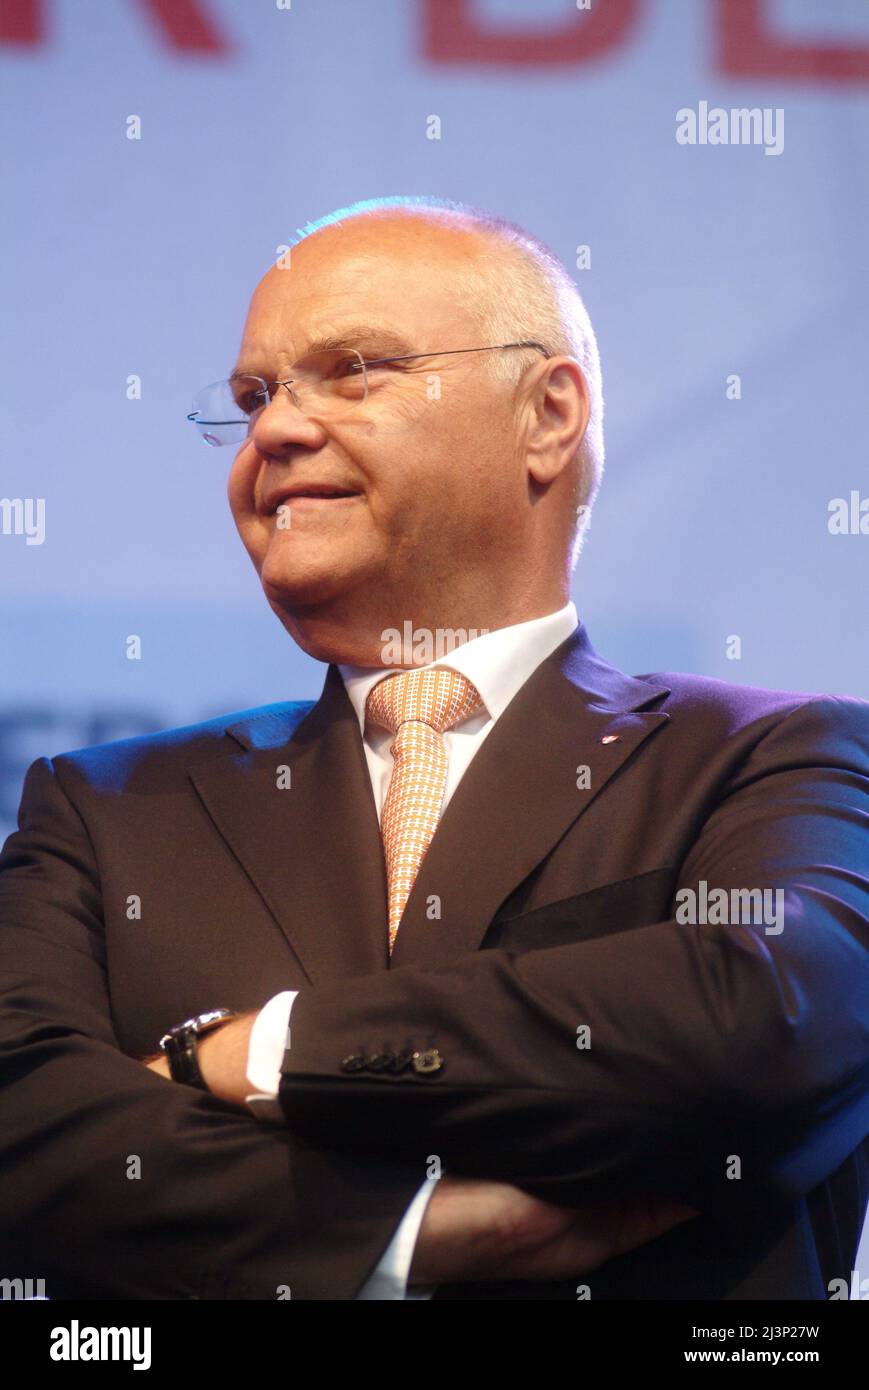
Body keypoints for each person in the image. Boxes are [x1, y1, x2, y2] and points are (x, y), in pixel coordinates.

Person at [1, 196, 867, 1301]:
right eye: (253, 396)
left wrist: (254, 1050)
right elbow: (20, 1130)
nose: (273, 430)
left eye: (351, 370)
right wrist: (403, 1233)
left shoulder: (770, 759)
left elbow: (761, 1024)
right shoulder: (107, 808)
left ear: (547, 416)